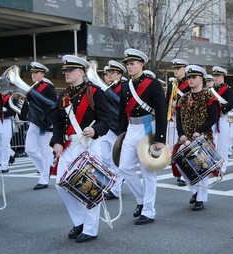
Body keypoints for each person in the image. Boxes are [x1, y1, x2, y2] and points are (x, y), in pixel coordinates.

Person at [51, 55, 112, 243]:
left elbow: (106, 120)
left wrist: (95, 129)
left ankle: (91, 229)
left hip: (89, 144)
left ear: (81, 72)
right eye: (65, 71)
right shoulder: (64, 96)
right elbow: (58, 121)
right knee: (60, 183)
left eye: (70, 70)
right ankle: (80, 220)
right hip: (69, 145)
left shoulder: (95, 92)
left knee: (91, 187)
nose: (66, 73)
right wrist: (57, 141)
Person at [118, 48, 167, 225]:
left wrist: (160, 138)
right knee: (124, 167)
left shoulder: (152, 84)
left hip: (148, 127)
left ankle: (148, 211)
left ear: (141, 64)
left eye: (132, 64)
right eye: (127, 64)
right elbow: (123, 113)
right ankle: (141, 199)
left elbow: (162, 110)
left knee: (148, 172)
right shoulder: (125, 86)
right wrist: (121, 135)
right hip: (131, 129)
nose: (129, 67)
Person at [176, 65, 219, 210]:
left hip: (203, 137)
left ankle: (201, 199)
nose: (190, 80)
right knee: (181, 164)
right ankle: (195, 192)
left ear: (201, 79)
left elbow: (213, 117)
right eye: (189, 77)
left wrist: (200, 130)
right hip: (186, 137)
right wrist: (181, 133)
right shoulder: (183, 98)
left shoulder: (209, 96)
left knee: (203, 168)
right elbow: (178, 119)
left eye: (194, 77)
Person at [20, 62, 57, 190]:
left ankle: (44, 178)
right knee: (29, 149)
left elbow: (53, 104)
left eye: (36, 73)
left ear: (43, 74)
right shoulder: (33, 88)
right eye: (32, 73)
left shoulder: (48, 87)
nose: (33, 75)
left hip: (44, 123)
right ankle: (46, 168)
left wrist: (49, 122)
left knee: (46, 152)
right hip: (34, 122)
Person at [100, 60, 127, 200]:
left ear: (120, 74)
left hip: (118, 128)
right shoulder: (106, 88)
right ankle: (115, 180)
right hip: (107, 127)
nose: (109, 75)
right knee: (104, 157)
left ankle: (115, 189)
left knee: (117, 159)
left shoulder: (124, 87)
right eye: (108, 72)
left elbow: (119, 103)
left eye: (112, 72)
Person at [166, 59, 191, 187]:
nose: (176, 71)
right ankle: (179, 172)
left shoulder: (189, 83)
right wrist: (169, 108)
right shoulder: (172, 83)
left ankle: (183, 175)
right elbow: (167, 99)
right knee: (173, 147)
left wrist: (179, 105)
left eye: (178, 68)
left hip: (185, 119)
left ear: (184, 70)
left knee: (183, 147)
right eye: (175, 68)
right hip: (174, 118)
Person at [211, 66, 233, 175]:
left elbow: (232, 102)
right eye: (214, 76)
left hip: (223, 117)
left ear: (222, 77)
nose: (215, 78)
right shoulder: (211, 90)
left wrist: (222, 109)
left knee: (223, 142)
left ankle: (223, 166)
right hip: (212, 118)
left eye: (218, 76)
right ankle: (214, 164)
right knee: (212, 142)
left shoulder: (228, 89)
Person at [0, 90, 17, 173]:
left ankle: (4, 166)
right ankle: (9, 156)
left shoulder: (12, 97)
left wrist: (2, 112)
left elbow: (13, 111)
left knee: (5, 144)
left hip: (7, 121)